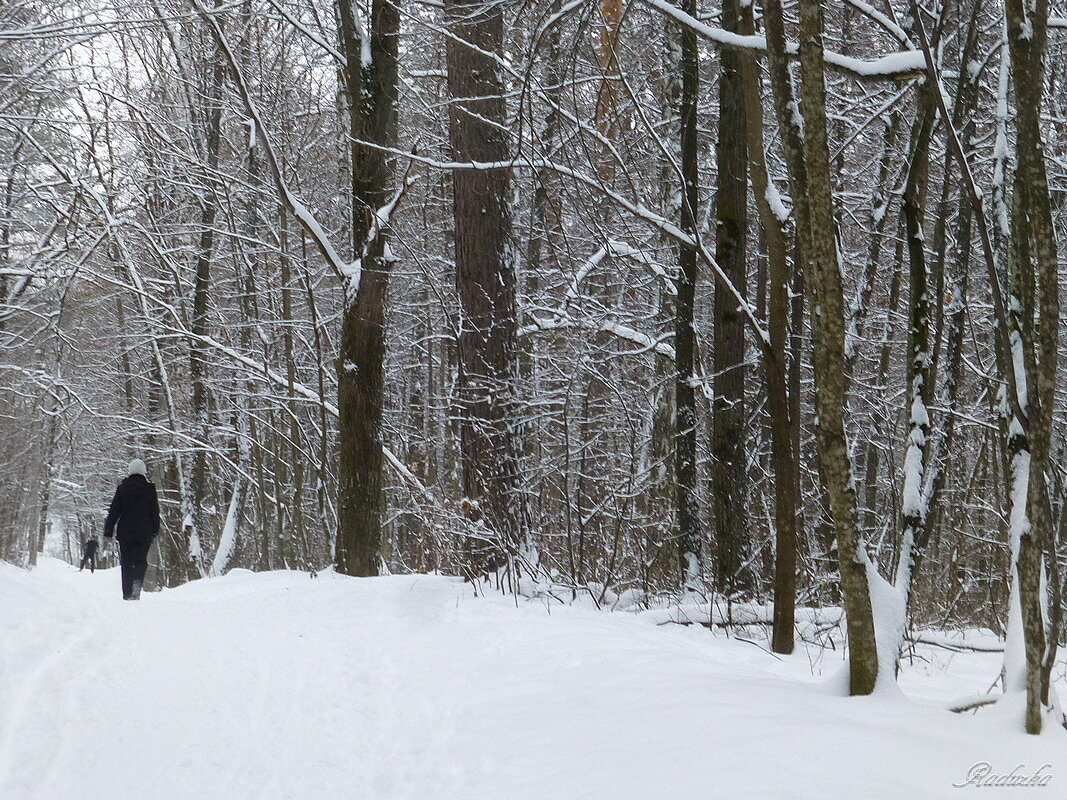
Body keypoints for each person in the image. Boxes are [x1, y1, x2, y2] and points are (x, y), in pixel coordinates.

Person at [103, 459, 160, 601]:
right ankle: (137, 585)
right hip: (145, 533)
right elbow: (155, 511)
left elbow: (114, 511)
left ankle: (127, 593)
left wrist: (108, 531)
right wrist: (155, 530)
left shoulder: (123, 488)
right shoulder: (149, 489)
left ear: (130, 471)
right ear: (143, 472)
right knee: (141, 560)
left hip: (126, 533)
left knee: (127, 562)